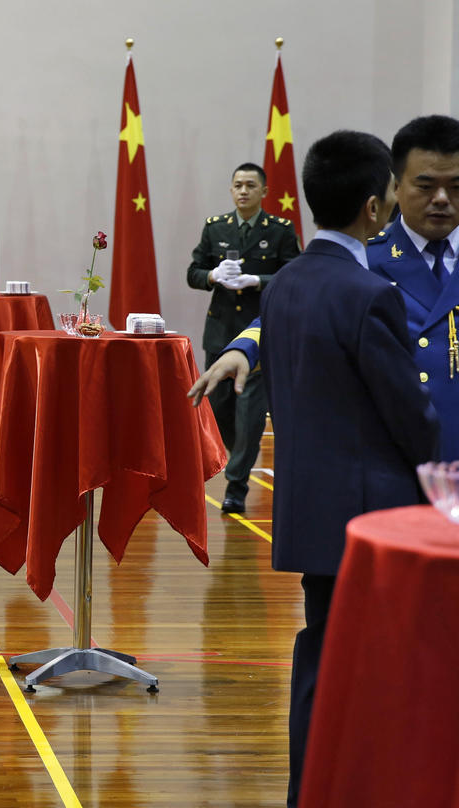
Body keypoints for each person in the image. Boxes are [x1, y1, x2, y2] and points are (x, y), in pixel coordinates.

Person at [258, 130, 438, 807]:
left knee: (321, 662)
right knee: (384, 672)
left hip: (310, 511)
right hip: (375, 517)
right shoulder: (369, 294)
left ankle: (311, 789)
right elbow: (411, 416)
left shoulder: (282, 287)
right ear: (374, 207)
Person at [191, 115, 459, 460]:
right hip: (397, 454)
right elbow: (301, 300)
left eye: (455, 186)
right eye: (425, 186)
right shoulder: (364, 255)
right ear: (396, 186)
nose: (441, 198)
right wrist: (243, 349)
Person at [185, 162, 300, 514]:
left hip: (259, 333)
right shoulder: (215, 227)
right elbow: (193, 273)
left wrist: (257, 281)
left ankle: (236, 487)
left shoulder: (279, 230)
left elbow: (293, 276)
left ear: (264, 191)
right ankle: (229, 465)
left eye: (251, 185)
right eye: (237, 185)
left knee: (251, 413)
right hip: (221, 332)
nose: (243, 191)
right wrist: (213, 275)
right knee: (219, 413)